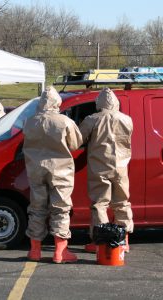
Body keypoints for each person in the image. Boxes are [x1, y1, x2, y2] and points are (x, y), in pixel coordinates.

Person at [23, 86, 83, 263]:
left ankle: (35, 251)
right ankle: (60, 252)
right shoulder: (64, 121)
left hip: (35, 170)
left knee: (36, 209)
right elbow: (76, 144)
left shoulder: (29, 121)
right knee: (61, 209)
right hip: (60, 171)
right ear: (57, 102)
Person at [79, 87, 133, 253]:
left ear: (99, 103)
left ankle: (100, 243)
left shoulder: (92, 119)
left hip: (99, 167)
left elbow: (78, 139)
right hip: (121, 167)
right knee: (122, 203)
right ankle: (123, 241)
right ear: (115, 102)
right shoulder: (127, 119)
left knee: (100, 204)